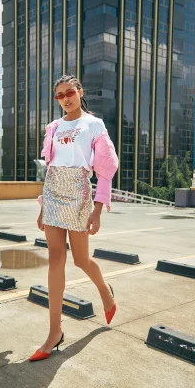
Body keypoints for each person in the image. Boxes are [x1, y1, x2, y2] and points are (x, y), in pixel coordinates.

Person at [29, 74, 119, 362]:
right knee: (56, 259)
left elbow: (106, 167)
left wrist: (98, 209)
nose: (65, 99)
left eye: (70, 92)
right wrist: (44, 206)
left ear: (80, 92)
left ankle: (105, 291)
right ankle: (54, 331)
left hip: (79, 192)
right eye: (60, 95)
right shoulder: (53, 127)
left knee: (81, 260)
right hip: (53, 191)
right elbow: (50, 167)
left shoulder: (94, 125)